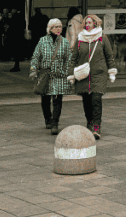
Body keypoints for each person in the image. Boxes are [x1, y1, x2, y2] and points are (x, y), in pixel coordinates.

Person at [68, 12, 117, 140]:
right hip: (83, 75)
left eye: (89, 22)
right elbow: (73, 58)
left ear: (95, 23)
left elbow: (109, 56)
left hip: (98, 74)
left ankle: (96, 126)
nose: (87, 25)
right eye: (85, 23)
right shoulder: (80, 39)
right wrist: (71, 73)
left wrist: (111, 70)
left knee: (96, 99)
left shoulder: (102, 38)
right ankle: (89, 121)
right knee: (86, 100)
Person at [30, 18, 73, 135]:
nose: (58, 29)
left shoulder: (64, 42)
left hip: (59, 76)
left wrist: (65, 71)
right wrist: (33, 70)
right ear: (50, 28)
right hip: (45, 75)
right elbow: (36, 56)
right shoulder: (42, 41)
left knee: (58, 100)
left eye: (60, 26)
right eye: (55, 27)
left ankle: (55, 123)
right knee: (45, 99)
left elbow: (68, 59)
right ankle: (47, 119)